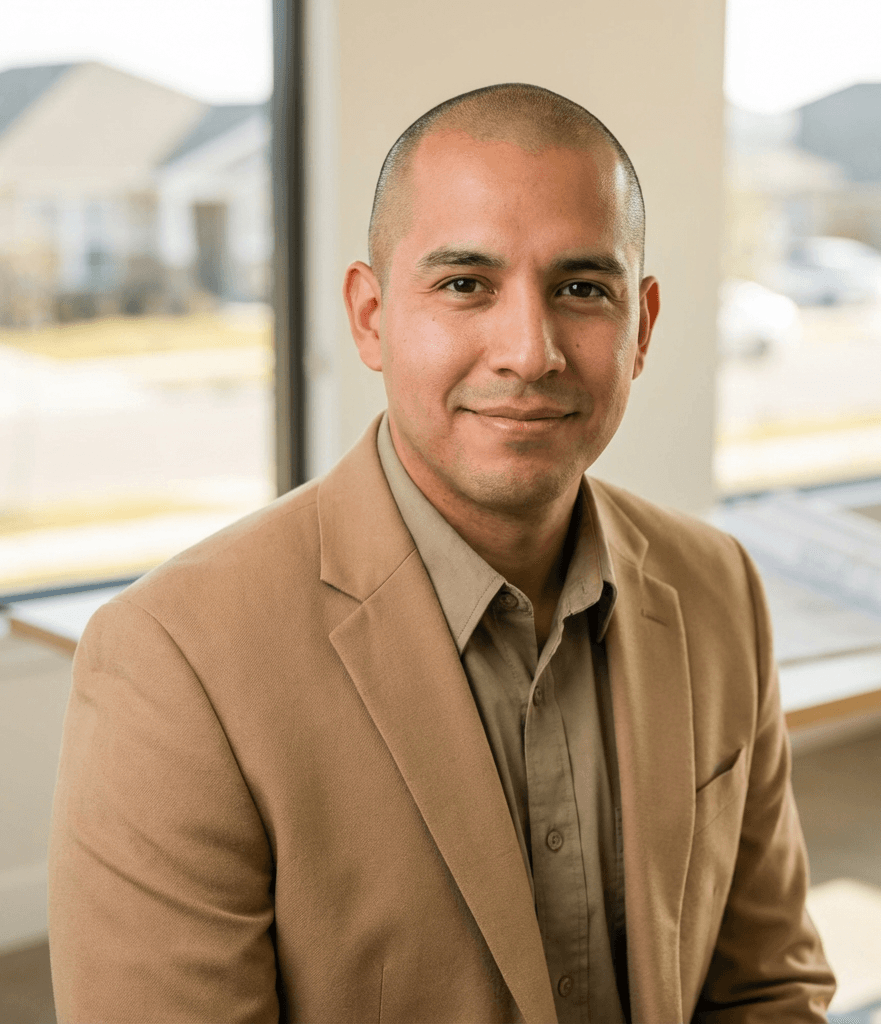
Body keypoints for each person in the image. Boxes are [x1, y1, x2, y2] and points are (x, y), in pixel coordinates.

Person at [49, 83, 835, 1023]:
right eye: (465, 284)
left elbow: (769, 986)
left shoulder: (716, 586)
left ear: (643, 329)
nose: (529, 350)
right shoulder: (174, 661)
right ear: (372, 317)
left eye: (582, 289)